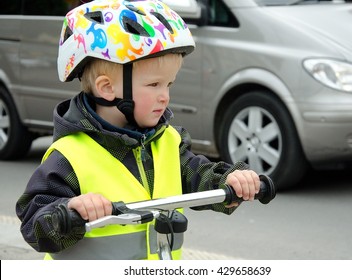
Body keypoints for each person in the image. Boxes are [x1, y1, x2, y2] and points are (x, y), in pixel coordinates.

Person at [16, 0, 266, 260]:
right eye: (155, 84)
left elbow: (200, 177)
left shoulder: (168, 141)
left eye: (169, 84)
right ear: (107, 88)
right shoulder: (69, 156)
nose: (165, 96)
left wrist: (230, 181)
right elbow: (34, 223)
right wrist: (68, 212)